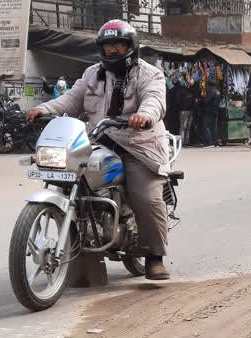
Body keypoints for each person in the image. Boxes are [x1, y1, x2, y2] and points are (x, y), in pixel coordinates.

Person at [26, 20, 172, 280]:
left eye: (119, 44)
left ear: (131, 46)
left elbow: (155, 100)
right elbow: (71, 99)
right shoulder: (92, 73)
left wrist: (144, 115)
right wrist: (45, 109)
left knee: (146, 197)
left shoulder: (150, 74)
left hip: (139, 146)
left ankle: (154, 255)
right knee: (70, 183)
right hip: (99, 141)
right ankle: (82, 257)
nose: (113, 50)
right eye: (108, 46)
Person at [178, 78, 195, 146]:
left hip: (190, 110)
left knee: (188, 127)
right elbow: (178, 100)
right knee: (183, 127)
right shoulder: (181, 90)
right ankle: (182, 142)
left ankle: (186, 142)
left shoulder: (191, 90)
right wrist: (186, 98)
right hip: (184, 110)